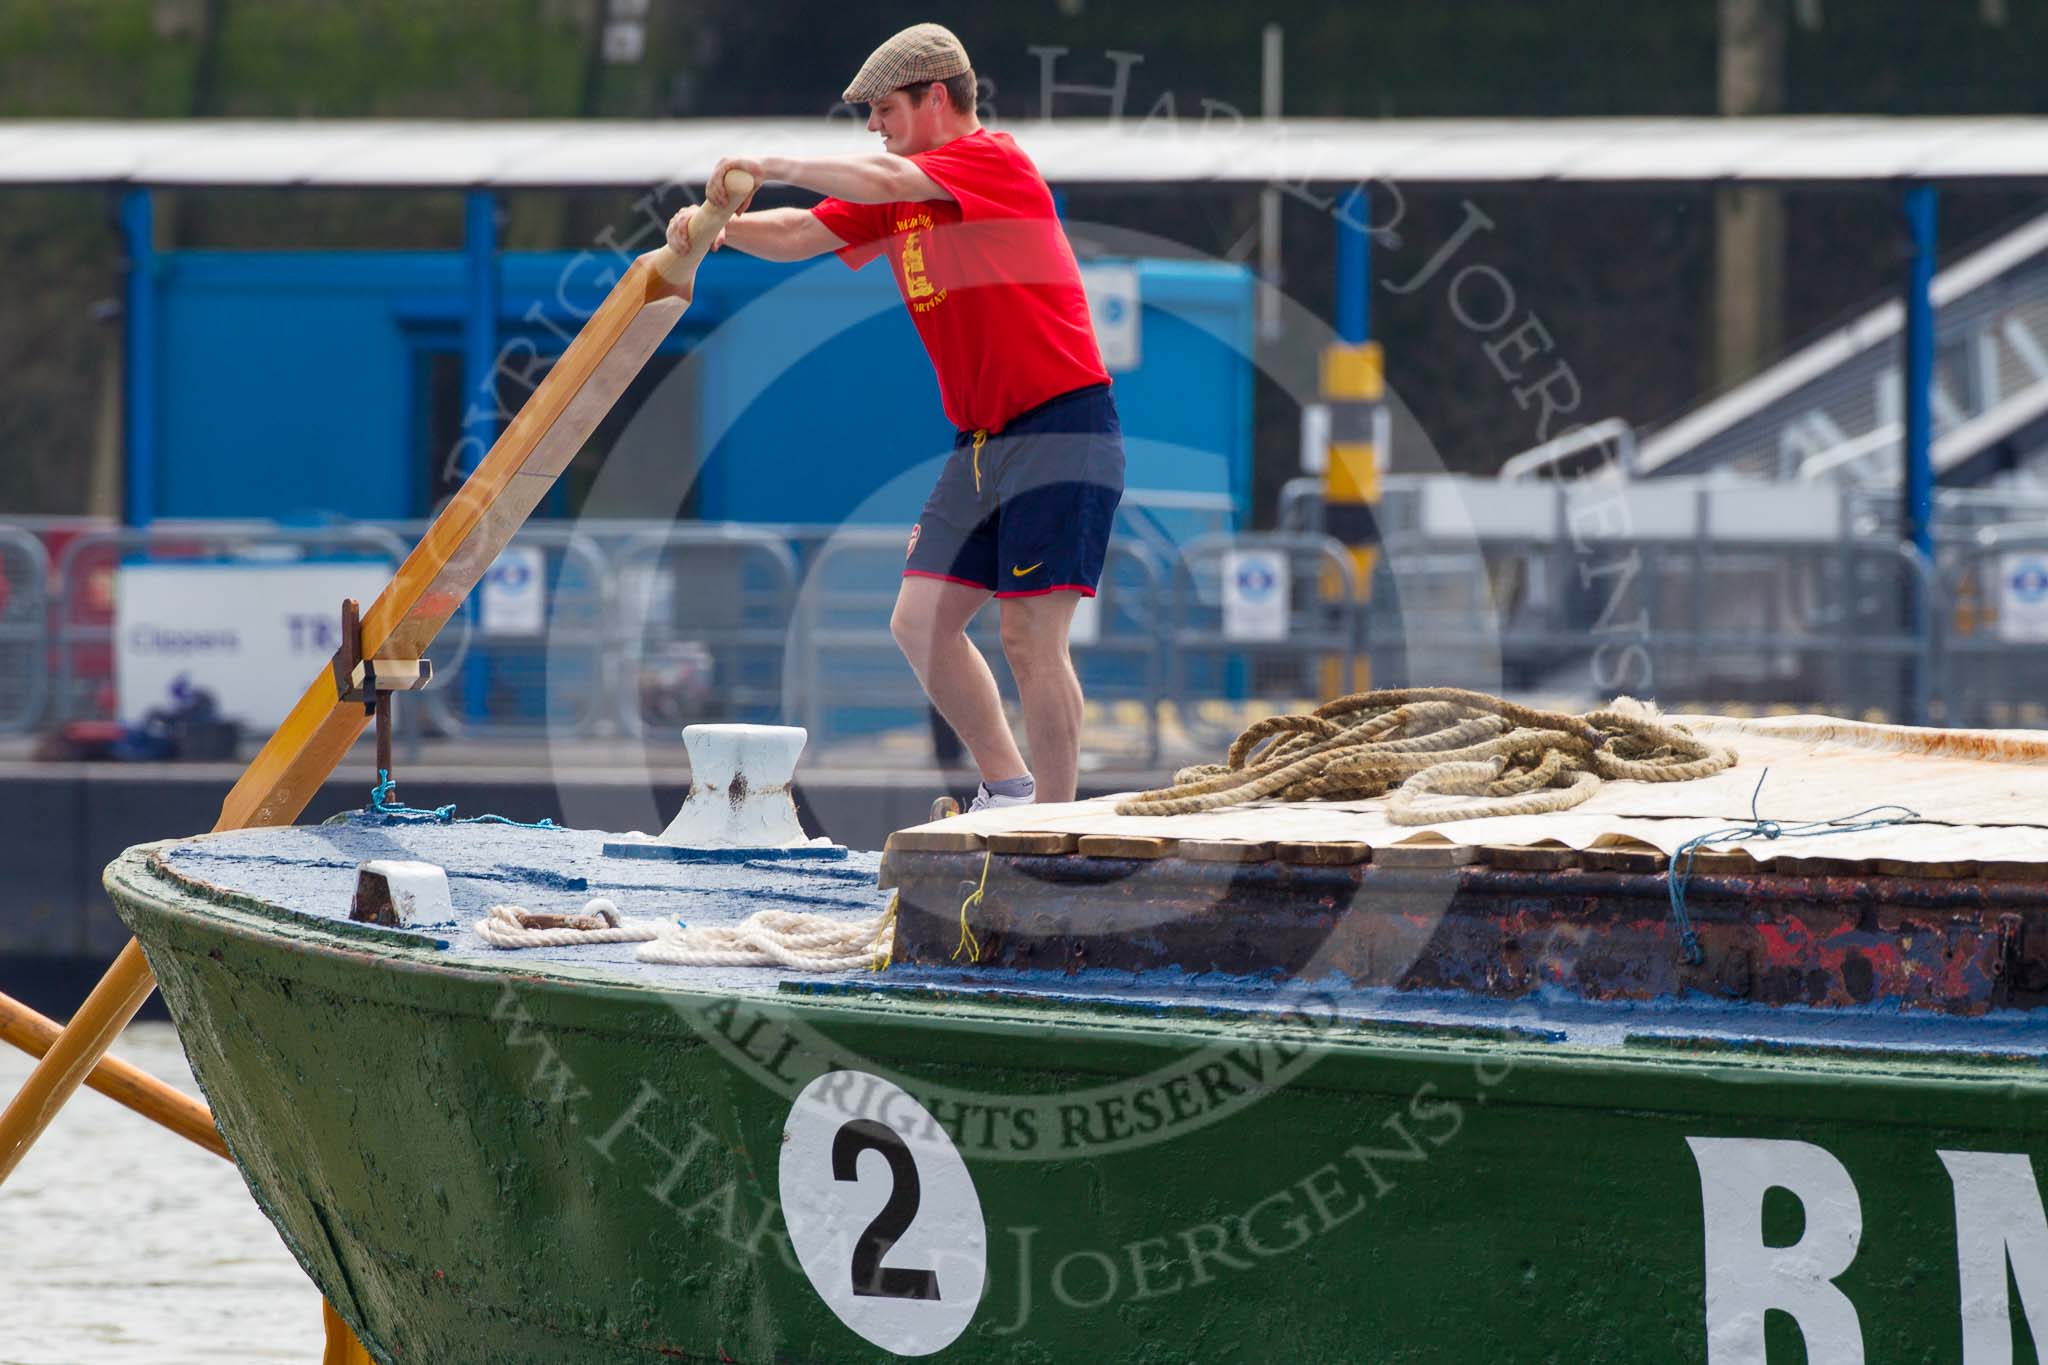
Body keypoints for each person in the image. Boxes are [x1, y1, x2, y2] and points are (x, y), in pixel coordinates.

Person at [667, 22, 1122, 810]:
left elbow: (876, 183)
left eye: (883, 110)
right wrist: (720, 231)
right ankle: (1011, 792)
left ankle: (1055, 826)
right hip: (981, 441)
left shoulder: (991, 160)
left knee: (1028, 636)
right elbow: (806, 231)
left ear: (935, 97)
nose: (874, 128)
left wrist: (771, 162)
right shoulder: (904, 188)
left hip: (1059, 427)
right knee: (920, 622)